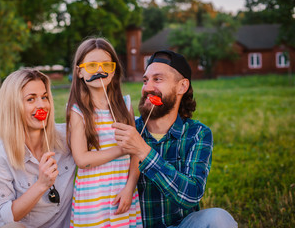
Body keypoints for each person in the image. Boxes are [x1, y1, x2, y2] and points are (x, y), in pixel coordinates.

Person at [112, 50, 237, 228]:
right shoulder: (129, 131)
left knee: (219, 219)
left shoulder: (197, 133)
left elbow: (191, 195)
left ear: (182, 87)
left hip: (181, 224)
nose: (147, 88)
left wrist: (144, 151)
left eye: (158, 79)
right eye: (145, 80)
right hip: (135, 225)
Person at [0, 69, 75, 228]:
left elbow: (102, 135)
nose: (42, 105)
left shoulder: (67, 138)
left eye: (44, 97)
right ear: (13, 106)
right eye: (31, 99)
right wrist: (41, 185)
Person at [66, 37, 142, 227]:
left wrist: (130, 188)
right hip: (94, 196)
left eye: (106, 65)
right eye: (92, 65)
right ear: (80, 72)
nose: (100, 70)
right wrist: (121, 149)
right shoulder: (78, 111)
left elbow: (136, 154)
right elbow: (82, 160)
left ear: (113, 70)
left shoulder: (125, 105)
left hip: (123, 192)